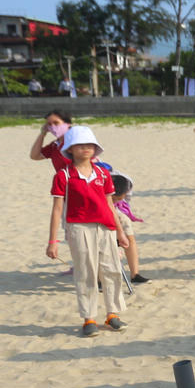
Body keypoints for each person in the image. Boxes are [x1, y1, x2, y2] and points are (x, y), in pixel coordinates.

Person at [45, 126, 129, 336]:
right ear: (70, 149)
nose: (86, 149)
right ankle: (89, 317)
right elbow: (57, 209)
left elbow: (110, 204)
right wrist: (52, 241)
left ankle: (113, 314)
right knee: (86, 273)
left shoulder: (103, 173)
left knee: (112, 269)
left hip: (106, 227)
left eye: (90, 145)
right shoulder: (63, 175)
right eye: (80, 145)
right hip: (79, 227)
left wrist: (120, 232)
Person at [110, 172, 149, 284]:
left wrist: (121, 232)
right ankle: (98, 279)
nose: (117, 201)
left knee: (129, 238)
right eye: (115, 199)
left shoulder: (123, 184)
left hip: (116, 214)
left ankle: (135, 274)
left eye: (119, 199)